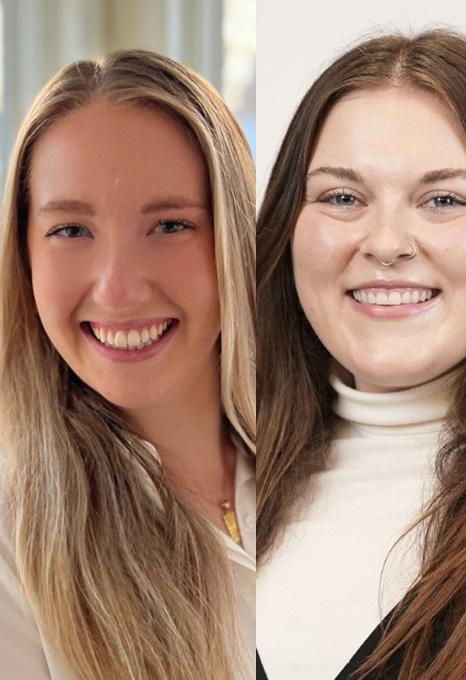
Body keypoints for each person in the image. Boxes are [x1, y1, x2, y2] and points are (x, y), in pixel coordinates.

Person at [255, 31, 466, 680]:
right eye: (342, 197)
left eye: (443, 199)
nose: (386, 242)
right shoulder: (214, 476)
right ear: (288, 225)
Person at [0, 51, 256, 679]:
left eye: (170, 224)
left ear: (235, 237)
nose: (117, 290)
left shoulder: (338, 453)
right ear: (25, 252)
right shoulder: (11, 540)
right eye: (70, 231)